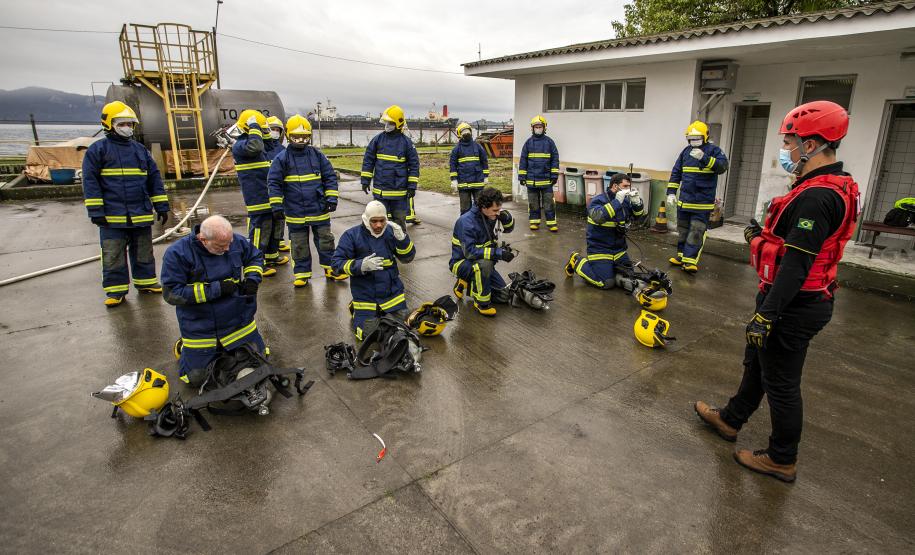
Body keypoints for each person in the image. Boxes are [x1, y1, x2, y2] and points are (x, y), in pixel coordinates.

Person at [694, 101, 859, 483]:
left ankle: (782, 458)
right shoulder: (825, 185)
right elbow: (790, 247)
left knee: (781, 383)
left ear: (813, 144)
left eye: (790, 142)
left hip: (793, 304)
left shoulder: (818, 198)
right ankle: (731, 419)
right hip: (790, 298)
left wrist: (767, 314)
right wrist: (759, 237)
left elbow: (797, 266)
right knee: (758, 364)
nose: (785, 150)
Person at [161, 215, 267, 386]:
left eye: (229, 243)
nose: (226, 249)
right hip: (201, 326)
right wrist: (216, 289)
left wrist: (253, 278)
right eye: (220, 246)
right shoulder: (177, 254)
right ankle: (184, 347)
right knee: (197, 378)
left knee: (260, 360)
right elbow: (172, 293)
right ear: (203, 239)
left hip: (238, 321)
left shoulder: (235, 242)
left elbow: (255, 257)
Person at [82, 101, 170, 307]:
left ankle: (146, 282)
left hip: (139, 213)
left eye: (130, 124)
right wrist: (95, 210)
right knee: (113, 254)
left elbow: (154, 179)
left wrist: (162, 205)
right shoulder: (98, 151)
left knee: (144, 251)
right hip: (112, 216)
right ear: (109, 124)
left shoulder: (140, 151)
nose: (127, 128)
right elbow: (90, 182)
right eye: (123, 124)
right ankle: (116, 290)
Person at [267, 115, 347, 287]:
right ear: (288, 136)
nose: (301, 140)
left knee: (326, 241)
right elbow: (273, 183)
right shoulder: (282, 158)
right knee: (298, 244)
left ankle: (331, 269)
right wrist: (276, 206)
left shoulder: (318, 156)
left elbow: (330, 177)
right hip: (295, 212)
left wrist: (332, 198)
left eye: (304, 137)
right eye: (297, 137)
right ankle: (302, 274)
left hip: (319, 209)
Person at [332, 201, 416, 340]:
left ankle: (385, 314)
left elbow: (408, 258)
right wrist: (360, 266)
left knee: (406, 328)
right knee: (370, 335)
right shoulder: (351, 236)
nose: (378, 225)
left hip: (392, 297)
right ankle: (356, 309)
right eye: (374, 221)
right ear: (366, 219)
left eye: (382, 221)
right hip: (366, 299)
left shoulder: (391, 233)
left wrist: (403, 240)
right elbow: (336, 264)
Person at [666, 120, 729, 273]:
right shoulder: (686, 152)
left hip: (702, 203)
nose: (693, 141)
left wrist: (704, 159)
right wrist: (671, 193)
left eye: (697, 138)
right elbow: (676, 173)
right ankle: (681, 256)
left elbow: (722, 167)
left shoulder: (714, 151)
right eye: (691, 139)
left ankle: (690, 261)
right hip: (684, 202)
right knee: (682, 230)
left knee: (696, 231)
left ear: (705, 136)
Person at [564, 173, 646, 291]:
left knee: (629, 276)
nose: (628, 189)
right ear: (615, 186)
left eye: (629, 186)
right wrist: (617, 202)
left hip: (619, 250)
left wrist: (637, 203)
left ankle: (608, 268)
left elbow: (638, 216)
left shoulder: (626, 201)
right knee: (606, 283)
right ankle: (576, 261)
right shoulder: (597, 201)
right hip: (600, 249)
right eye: (625, 186)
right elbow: (599, 217)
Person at [232, 109, 289, 276]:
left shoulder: (262, 146)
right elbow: (255, 146)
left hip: (269, 197)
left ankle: (271, 256)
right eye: (262, 130)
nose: (266, 133)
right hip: (257, 198)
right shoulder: (242, 146)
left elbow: (272, 149)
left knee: (272, 229)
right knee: (259, 231)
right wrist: (255, 125)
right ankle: (256, 262)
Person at [449, 187, 515, 316]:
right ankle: (481, 303)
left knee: (504, 296)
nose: (497, 213)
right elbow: (470, 253)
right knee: (484, 265)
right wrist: (499, 253)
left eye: (499, 209)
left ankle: (466, 282)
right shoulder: (466, 222)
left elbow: (508, 229)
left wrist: (507, 219)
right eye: (495, 210)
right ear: (484, 207)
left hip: (482, 262)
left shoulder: (490, 215)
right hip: (462, 262)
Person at [360, 105, 420, 230]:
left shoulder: (406, 143)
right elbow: (368, 161)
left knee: (399, 224)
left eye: (390, 122)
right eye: (386, 122)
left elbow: (414, 165)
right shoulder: (377, 140)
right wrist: (365, 181)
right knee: (380, 224)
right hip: (380, 193)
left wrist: (412, 186)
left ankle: (401, 248)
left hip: (399, 194)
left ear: (398, 123)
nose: (387, 125)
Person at [518, 115, 559, 232]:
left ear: (544, 127)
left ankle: (551, 223)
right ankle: (534, 222)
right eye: (536, 126)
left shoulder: (550, 142)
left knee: (549, 203)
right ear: (532, 128)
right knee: (533, 203)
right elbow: (523, 160)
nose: (538, 128)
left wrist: (554, 175)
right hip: (532, 181)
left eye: (540, 126)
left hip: (546, 180)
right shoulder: (528, 143)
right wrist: (522, 176)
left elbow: (555, 160)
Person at [263, 115, 291, 253]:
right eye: (271, 129)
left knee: (280, 219)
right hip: (265, 191)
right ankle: (270, 248)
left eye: (276, 129)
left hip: (281, 191)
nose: (274, 132)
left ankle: (278, 242)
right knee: (267, 223)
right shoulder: (262, 148)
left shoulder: (282, 149)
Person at [450, 122, 490, 214]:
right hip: (463, 184)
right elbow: (453, 165)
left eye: (468, 131)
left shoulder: (478, 146)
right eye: (464, 132)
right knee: (465, 209)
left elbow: (484, 161)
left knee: (480, 208)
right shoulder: (456, 149)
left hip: (477, 183)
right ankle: (465, 227)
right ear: (459, 134)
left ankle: (480, 226)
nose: (466, 133)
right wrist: (454, 180)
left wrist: (486, 176)